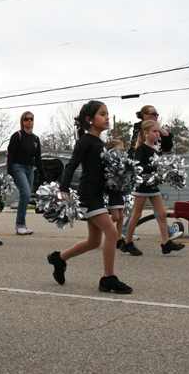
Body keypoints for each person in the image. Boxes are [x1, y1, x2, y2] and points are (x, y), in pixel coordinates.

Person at [47, 101, 132, 294]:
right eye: (102, 114)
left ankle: (59, 258)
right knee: (112, 233)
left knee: (94, 242)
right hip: (88, 195)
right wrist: (64, 189)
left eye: (107, 114)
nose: (107, 117)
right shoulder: (85, 141)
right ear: (89, 119)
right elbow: (71, 164)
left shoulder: (101, 144)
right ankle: (108, 279)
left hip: (98, 196)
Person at [120, 120, 186, 256]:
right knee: (136, 215)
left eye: (158, 131)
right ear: (146, 133)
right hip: (142, 186)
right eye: (154, 131)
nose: (157, 134)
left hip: (153, 186)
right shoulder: (141, 148)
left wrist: (168, 136)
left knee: (162, 214)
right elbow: (138, 166)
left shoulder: (157, 147)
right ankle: (127, 243)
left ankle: (166, 243)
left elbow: (168, 147)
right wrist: (154, 168)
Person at [6, 111, 47, 235]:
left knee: (27, 196)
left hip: (30, 169)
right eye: (26, 119)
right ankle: (20, 225)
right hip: (18, 168)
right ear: (22, 121)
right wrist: (9, 171)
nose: (29, 121)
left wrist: (44, 176)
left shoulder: (35, 139)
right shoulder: (17, 135)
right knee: (26, 193)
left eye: (31, 119)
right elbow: (10, 153)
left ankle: (22, 225)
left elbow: (38, 159)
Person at [104, 139, 127, 249]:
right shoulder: (108, 160)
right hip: (111, 189)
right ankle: (101, 226)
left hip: (119, 189)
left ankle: (119, 238)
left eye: (122, 150)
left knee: (121, 216)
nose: (120, 152)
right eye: (118, 149)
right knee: (116, 216)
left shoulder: (122, 161)